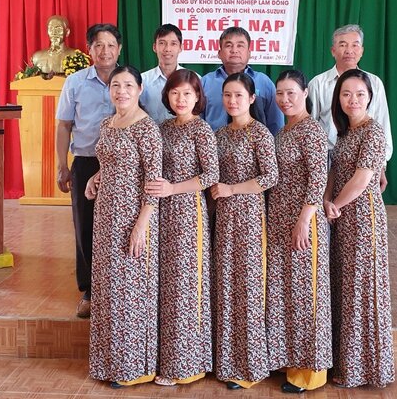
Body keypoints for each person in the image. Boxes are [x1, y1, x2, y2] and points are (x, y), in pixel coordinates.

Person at [84, 65, 162, 388]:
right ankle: (108, 362)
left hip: (133, 216)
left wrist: (142, 224)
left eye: (128, 85)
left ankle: (133, 366)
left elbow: (154, 182)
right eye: (116, 85)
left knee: (131, 291)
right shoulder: (107, 123)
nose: (121, 91)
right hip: (105, 216)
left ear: (140, 90)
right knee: (107, 288)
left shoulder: (147, 129)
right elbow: (108, 162)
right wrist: (95, 176)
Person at [144, 69, 219, 387]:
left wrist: (173, 189)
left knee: (186, 287)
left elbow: (211, 175)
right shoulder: (161, 128)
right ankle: (166, 357)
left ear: (198, 97)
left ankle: (187, 362)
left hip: (188, 214)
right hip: (162, 214)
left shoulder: (201, 130)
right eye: (175, 93)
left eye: (188, 93)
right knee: (166, 286)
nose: (181, 99)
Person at [324, 69, 394, 388]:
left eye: (360, 94)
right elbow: (335, 170)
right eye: (346, 94)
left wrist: (335, 204)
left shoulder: (373, 132)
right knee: (345, 286)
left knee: (361, 289)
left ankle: (362, 369)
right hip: (341, 218)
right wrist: (328, 200)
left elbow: (363, 179)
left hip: (362, 219)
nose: (353, 100)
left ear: (370, 97)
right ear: (338, 98)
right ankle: (343, 362)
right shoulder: (345, 132)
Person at [210, 72, 278, 390]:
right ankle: (225, 361)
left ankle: (248, 366)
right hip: (223, 218)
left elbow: (270, 178)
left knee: (247, 289)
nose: (232, 101)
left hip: (249, 218)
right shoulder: (220, 134)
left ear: (251, 99)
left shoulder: (260, 133)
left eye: (238, 95)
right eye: (227, 95)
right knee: (226, 286)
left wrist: (232, 189)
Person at [267, 70, 332, 393]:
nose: (285, 99)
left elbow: (318, 179)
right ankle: (290, 361)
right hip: (279, 220)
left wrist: (305, 219)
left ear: (305, 93)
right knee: (286, 294)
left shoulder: (311, 131)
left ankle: (310, 372)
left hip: (303, 224)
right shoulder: (284, 130)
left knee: (307, 296)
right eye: (280, 93)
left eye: (291, 92)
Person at [55, 23, 121, 319]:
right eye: (98, 45)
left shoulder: (129, 79)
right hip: (85, 161)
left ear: (119, 49)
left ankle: (117, 288)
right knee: (85, 227)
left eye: (110, 45)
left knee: (120, 227)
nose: (104, 51)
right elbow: (64, 125)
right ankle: (89, 291)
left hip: (122, 166)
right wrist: (61, 166)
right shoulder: (75, 82)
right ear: (89, 50)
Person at [308, 24, 392, 191]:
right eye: (343, 44)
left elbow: (383, 125)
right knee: (328, 212)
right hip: (326, 164)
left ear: (362, 50)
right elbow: (310, 128)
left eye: (355, 45)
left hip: (364, 164)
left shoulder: (374, 83)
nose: (349, 50)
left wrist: (382, 165)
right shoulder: (317, 84)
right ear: (333, 51)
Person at [201, 26, 284, 136]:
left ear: (249, 53)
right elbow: (198, 123)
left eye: (240, 45)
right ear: (219, 53)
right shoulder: (205, 82)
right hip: (213, 148)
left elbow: (276, 124)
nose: (234, 50)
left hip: (256, 148)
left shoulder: (264, 82)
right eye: (228, 45)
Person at [140, 23, 192, 125]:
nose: (167, 49)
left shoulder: (193, 79)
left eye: (173, 44)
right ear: (154, 47)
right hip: (151, 138)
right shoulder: (142, 80)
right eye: (162, 43)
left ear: (181, 47)